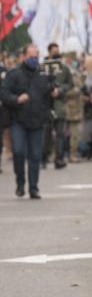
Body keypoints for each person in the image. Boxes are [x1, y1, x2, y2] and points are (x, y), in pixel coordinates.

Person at [1, 45, 61, 198]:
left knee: (35, 155)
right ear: (24, 57)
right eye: (31, 57)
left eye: (36, 56)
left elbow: (54, 87)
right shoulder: (14, 74)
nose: (34, 60)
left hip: (38, 120)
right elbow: (4, 93)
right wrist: (17, 99)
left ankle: (34, 188)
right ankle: (20, 182)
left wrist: (55, 91)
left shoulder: (43, 73)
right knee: (19, 152)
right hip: (18, 121)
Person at [42, 43, 72, 169]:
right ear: (49, 52)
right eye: (54, 51)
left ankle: (58, 159)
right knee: (45, 132)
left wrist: (59, 90)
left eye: (58, 51)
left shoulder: (64, 68)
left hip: (59, 104)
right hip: (45, 104)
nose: (56, 53)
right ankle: (43, 158)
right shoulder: (41, 67)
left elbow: (70, 84)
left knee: (60, 133)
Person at [62, 51, 84, 163]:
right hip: (65, 107)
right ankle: (56, 154)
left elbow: (79, 85)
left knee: (76, 133)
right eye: (74, 60)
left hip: (76, 108)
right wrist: (75, 91)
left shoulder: (75, 72)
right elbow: (61, 90)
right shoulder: (63, 72)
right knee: (60, 132)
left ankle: (73, 154)